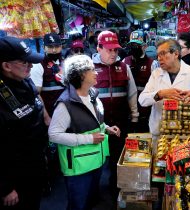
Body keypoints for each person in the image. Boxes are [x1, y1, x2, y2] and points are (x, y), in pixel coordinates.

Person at [48, 54, 120, 210]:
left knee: (89, 202)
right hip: (78, 167)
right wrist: (88, 139)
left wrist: (106, 128)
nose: (97, 73)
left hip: (97, 161)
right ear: (80, 74)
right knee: (78, 205)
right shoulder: (65, 104)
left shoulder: (93, 95)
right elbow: (53, 134)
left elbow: (94, 121)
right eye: (92, 70)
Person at [0, 36, 48, 210]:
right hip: (14, 178)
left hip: (33, 166)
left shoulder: (25, 80)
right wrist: (5, 188)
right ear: (6, 66)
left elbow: (36, 102)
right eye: (25, 62)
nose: (31, 66)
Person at [92, 30, 139, 201]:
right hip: (97, 123)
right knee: (96, 160)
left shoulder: (124, 67)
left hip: (119, 122)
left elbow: (132, 93)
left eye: (115, 50)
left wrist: (134, 116)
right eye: (109, 50)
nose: (113, 53)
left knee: (117, 158)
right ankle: (92, 192)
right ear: (99, 48)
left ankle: (114, 188)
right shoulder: (89, 67)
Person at [139, 39, 190, 143]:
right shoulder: (156, 74)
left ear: (176, 53)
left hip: (185, 135)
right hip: (159, 133)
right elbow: (142, 100)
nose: (159, 58)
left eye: (163, 54)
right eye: (158, 55)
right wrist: (160, 94)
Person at [30, 32, 65, 194]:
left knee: (64, 147)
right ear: (44, 47)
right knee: (48, 150)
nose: (53, 49)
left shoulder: (65, 63)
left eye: (56, 46)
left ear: (61, 46)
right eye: (50, 47)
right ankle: (49, 182)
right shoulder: (38, 65)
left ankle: (63, 175)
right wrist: (45, 116)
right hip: (49, 115)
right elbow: (37, 94)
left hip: (65, 115)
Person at [123, 30, 154, 132]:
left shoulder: (152, 64)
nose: (134, 48)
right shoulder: (124, 62)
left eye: (137, 45)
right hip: (128, 111)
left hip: (145, 110)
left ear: (145, 46)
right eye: (132, 45)